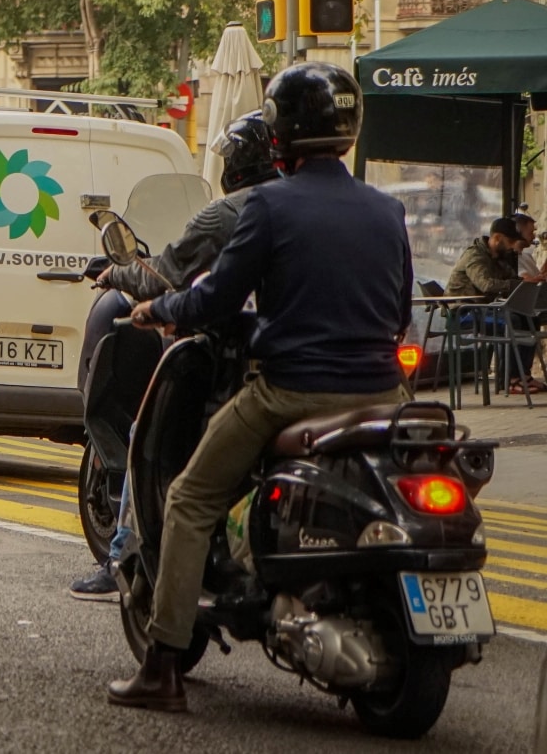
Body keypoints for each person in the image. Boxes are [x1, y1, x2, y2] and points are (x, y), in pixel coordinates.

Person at [108, 62, 414, 713]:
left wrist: (158, 310)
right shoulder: (388, 209)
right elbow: (396, 312)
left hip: (293, 392)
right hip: (386, 396)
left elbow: (214, 297)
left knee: (190, 497)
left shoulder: (270, 204)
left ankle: (163, 666)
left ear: (282, 133)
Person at [68, 112, 280, 601]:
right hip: (377, 378)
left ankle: (151, 614)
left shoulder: (237, 214)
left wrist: (150, 299)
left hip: (263, 371)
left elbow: (182, 287)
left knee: (161, 452)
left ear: (237, 162)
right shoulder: (357, 207)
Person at [446, 216, 538, 392]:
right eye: (510, 241)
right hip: (463, 313)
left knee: (529, 318)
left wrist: (528, 282)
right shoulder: (474, 256)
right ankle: (510, 379)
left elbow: (511, 278)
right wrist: (518, 284)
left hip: (484, 310)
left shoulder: (499, 256)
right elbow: (486, 285)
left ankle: (523, 376)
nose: (512, 246)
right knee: (512, 321)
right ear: (496, 238)